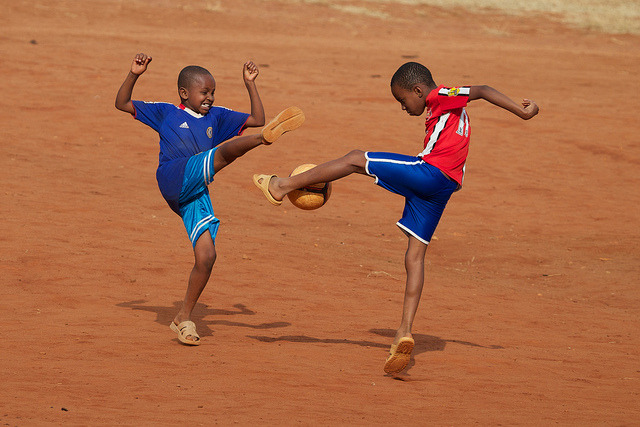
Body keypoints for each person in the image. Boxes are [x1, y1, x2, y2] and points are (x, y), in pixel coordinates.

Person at [253, 61, 539, 373]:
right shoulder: (444, 107)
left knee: (354, 159)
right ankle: (403, 332)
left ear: (419, 90)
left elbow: (481, 90)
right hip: (442, 188)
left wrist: (521, 110)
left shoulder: (442, 94)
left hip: (430, 173)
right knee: (414, 257)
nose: (403, 108)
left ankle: (282, 186)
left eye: (403, 101)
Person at [115, 53, 305, 345]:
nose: (210, 97)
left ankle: (183, 318)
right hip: (172, 176)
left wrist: (250, 84)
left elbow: (257, 118)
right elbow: (122, 103)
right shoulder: (166, 112)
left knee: (207, 257)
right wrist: (134, 74)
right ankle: (261, 141)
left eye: (213, 92)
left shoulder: (216, 118)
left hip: (194, 191)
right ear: (184, 93)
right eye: (204, 92)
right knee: (221, 154)